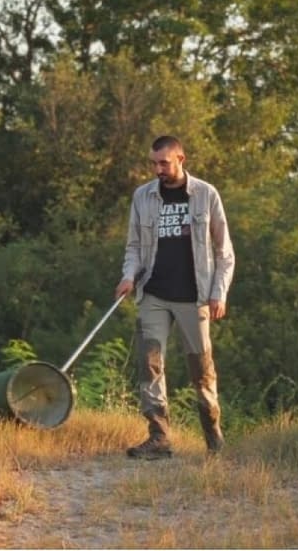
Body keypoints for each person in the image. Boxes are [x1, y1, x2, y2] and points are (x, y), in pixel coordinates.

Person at [115, 135, 235, 459]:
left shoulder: (206, 194)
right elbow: (135, 247)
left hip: (194, 297)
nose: (158, 169)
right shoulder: (142, 197)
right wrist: (128, 277)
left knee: (202, 369)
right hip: (153, 293)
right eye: (153, 163)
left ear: (181, 159)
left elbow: (225, 253)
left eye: (164, 163)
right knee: (150, 364)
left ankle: (213, 437)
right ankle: (159, 438)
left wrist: (218, 293)